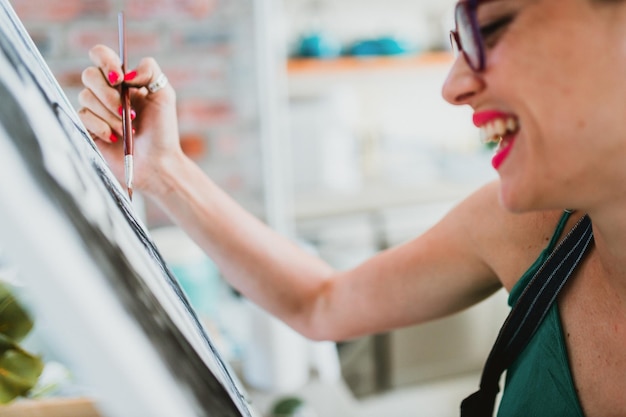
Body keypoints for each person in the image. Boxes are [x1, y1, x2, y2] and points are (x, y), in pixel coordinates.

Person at [77, 0, 626, 415]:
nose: (453, 85)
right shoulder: (532, 231)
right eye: (457, 41)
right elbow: (321, 302)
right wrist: (162, 167)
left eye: (490, 29)